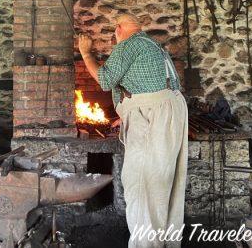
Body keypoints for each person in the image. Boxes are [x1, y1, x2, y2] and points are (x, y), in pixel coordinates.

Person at [78, 14, 188, 248]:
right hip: (169, 111)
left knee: (142, 182)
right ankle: (166, 242)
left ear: (118, 29)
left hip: (153, 117)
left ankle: (146, 244)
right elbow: (147, 86)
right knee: (163, 179)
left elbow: (105, 80)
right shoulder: (152, 45)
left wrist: (86, 52)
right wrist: (127, 115)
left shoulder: (128, 44)